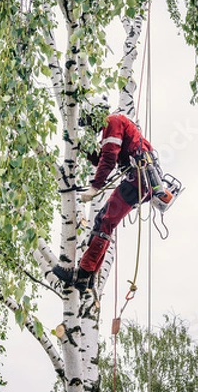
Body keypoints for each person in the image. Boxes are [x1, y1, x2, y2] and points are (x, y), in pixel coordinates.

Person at [52, 97, 154, 291]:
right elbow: (102, 157)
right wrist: (81, 147)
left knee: (105, 222)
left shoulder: (113, 121)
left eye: (91, 122)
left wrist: (95, 187)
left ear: (94, 114)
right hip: (137, 179)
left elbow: (109, 158)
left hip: (138, 179)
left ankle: (82, 274)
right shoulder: (115, 123)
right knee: (102, 221)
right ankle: (88, 277)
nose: (93, 128)